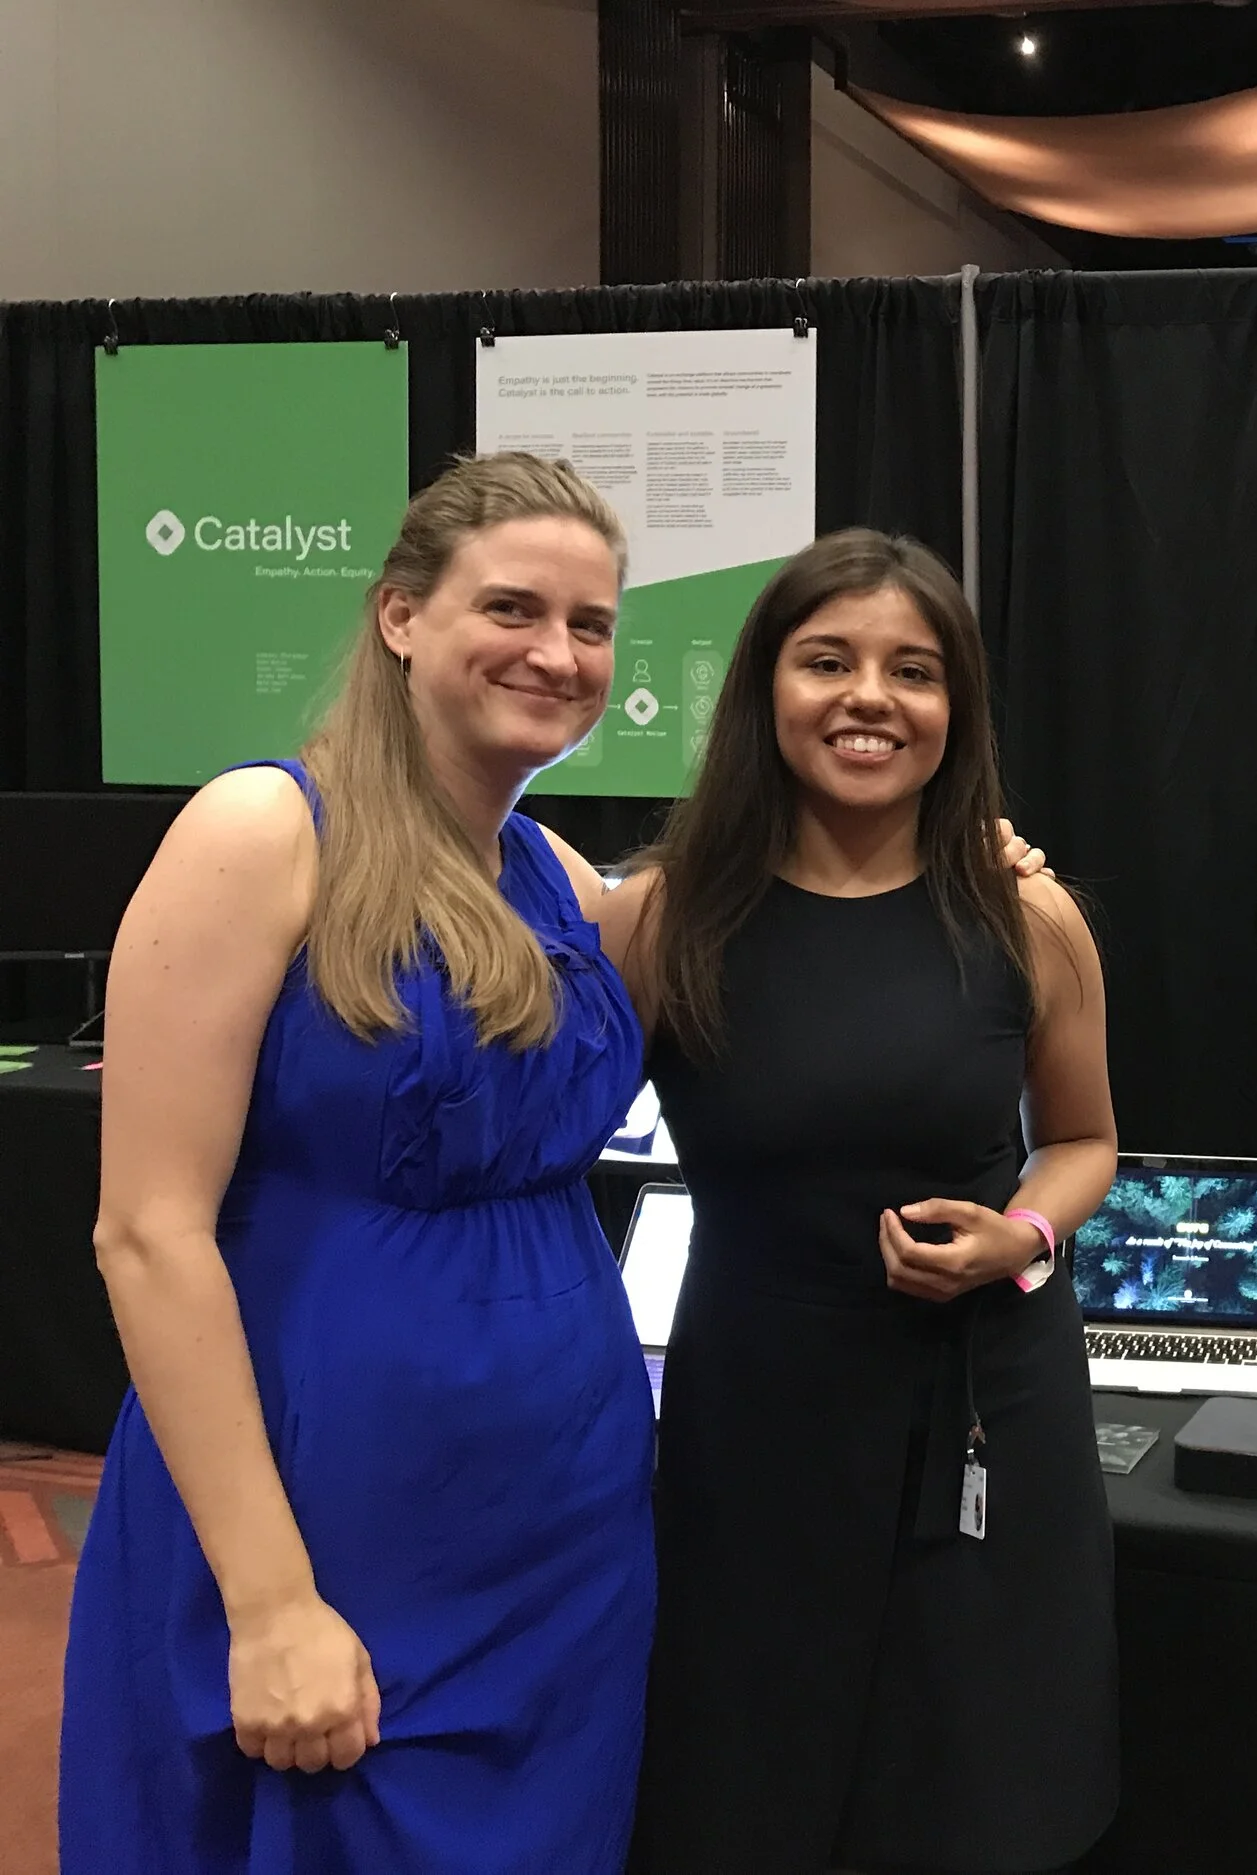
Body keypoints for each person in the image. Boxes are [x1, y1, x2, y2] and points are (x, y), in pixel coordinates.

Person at [60, 455, 658, 1872]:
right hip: (329, 1516)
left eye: (590, 623)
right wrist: (270, 1603)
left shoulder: (553, 876)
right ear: (399, 615)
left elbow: (766, 912)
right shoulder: (262, 832)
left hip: (558, 1534)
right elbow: (146, 1231)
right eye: (510, 605)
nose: (556, 652)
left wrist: (979, 862)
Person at [601, 530, 1120, 1873]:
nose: (869, 697)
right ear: (765, 687)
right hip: (757, 1414)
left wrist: (1025, 1235)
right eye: (827, 660)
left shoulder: (1026, 917)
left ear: (958, 708)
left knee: (972, 1786)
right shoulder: (660, 921)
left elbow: (1085, 1141)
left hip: (983, 1411)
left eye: (913, 669)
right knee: (745, 1778)